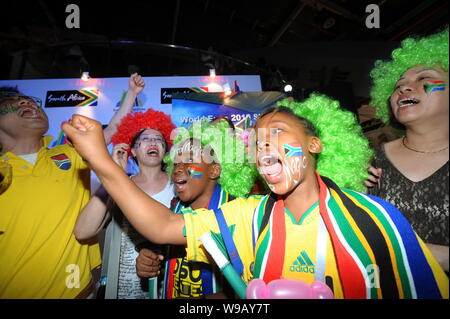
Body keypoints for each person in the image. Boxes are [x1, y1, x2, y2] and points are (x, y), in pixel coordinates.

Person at [61, 93, 449, 299]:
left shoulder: (374, 216)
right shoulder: (249, 214)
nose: (265, 144)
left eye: (278, 132)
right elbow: (162, 226)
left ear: (314, 144)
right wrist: (98, 158)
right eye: (258, 139)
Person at [0, 73, 143, 298]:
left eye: (30, 101)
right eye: (10, 102)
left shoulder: (68, 153)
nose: (25, 102)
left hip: (78, 290)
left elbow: (109, 131)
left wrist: (132, 94)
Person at [137, 120, 257, 298]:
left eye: (189, 160)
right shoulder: (174, 208)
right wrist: (148, 261)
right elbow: (160, 253)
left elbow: (253, 284)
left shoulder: (236, 212)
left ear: (214, 171)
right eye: (176, 163)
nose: (178, 168)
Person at [366, 28, 449, 272]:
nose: (404, 88)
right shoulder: (369, 161)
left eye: (424, 79)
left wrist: (424, 254)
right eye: (398, 84)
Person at [74, 108, 176, 299]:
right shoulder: (120, 185)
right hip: (124, 291)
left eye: (159, 139)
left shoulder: (180, 186)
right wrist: (113, 175)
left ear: (165, 149)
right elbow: (83, 231)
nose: (153, 142)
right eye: (145, 139)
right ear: (133, 151)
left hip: (169, 289)